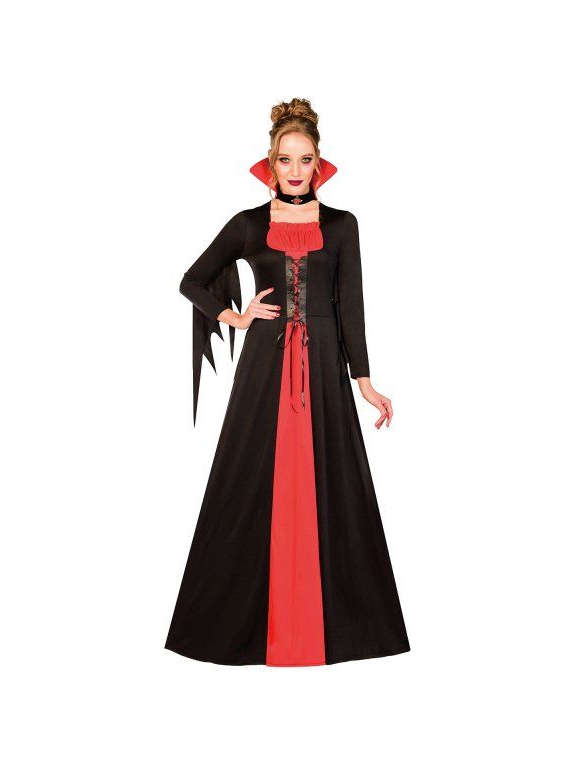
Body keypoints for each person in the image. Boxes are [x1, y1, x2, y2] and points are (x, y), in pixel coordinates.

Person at [165, 98, 409, 666]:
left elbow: (351, 307)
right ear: (269, 163)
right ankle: (238, 628)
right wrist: (235, 316)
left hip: (323, 371)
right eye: (285, 159)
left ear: (319, 163)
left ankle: (340, 630)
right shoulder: (249, 224)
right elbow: (191, 280)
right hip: (264, 368)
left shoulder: (342, 225)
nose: (295, 170)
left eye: (305, 160)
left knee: (334, 483)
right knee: (248, 479)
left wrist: (364, 380)